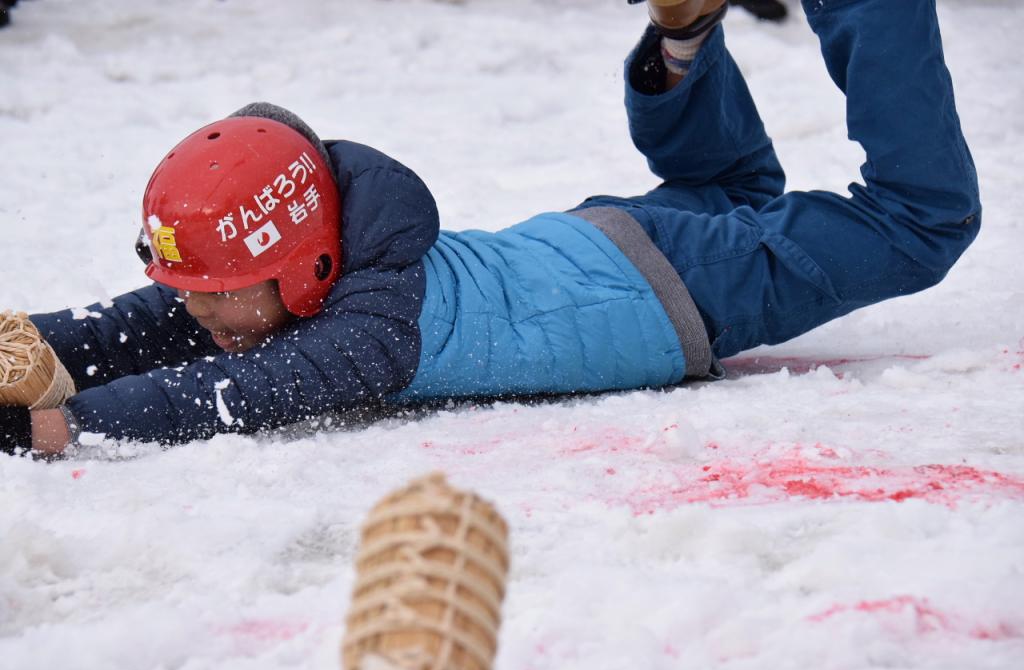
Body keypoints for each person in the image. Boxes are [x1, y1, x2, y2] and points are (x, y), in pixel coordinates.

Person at [0, 0, 980, 456]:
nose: (203, 317)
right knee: (730, 186)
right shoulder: (297, 274)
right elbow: (136, 324)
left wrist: (68, 421)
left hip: (677, 289)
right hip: (613, 241)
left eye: (219, 296)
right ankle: (680, 42)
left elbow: (232, 392)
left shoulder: (371, 328)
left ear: (307, 268)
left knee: (917, 220)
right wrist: (39, 341)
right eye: (196, 296)